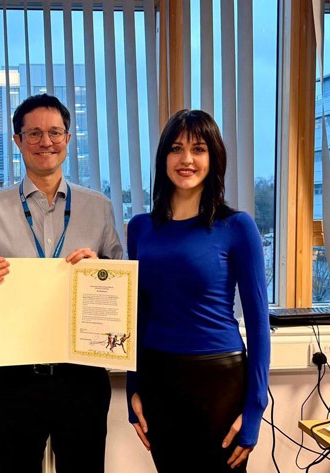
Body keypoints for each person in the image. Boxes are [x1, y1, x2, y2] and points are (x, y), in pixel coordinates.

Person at [0, 93, 123, 473]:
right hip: (15, 375)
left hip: (82, 374)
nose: (45, 142)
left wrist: (99, 272)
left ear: (68, 138)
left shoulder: (98, 207)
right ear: (18, 140)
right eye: (33, 133)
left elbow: (120, 284)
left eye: (54, 132)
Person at [126, 109, 270, 472]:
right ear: (163, 158)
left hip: (219, 381)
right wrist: (132, 387)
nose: (186, 159)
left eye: (198, 149)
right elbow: (136, 313)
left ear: (213, 157)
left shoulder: (237, 227)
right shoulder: (140, 228)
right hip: (158, 379)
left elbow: (258, 324)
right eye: (176, 148)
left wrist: (255, 409)